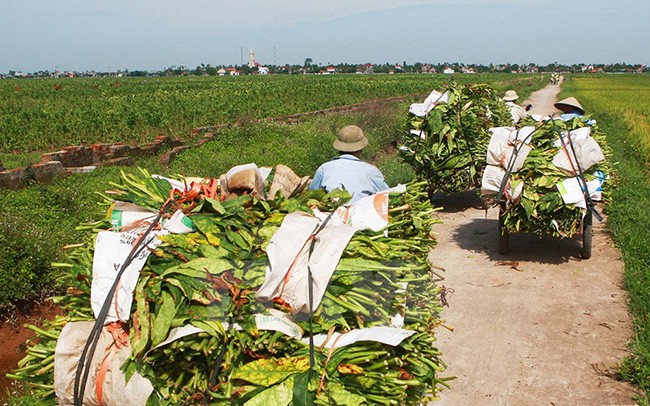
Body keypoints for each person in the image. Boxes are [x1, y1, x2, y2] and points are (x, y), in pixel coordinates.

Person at [309, 125, 389, 203]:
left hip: (330, 213)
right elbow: (386, 196)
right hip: (359, 214)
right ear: (360, 149)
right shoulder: (371, 171)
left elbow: (312, 193)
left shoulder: (324, 169)